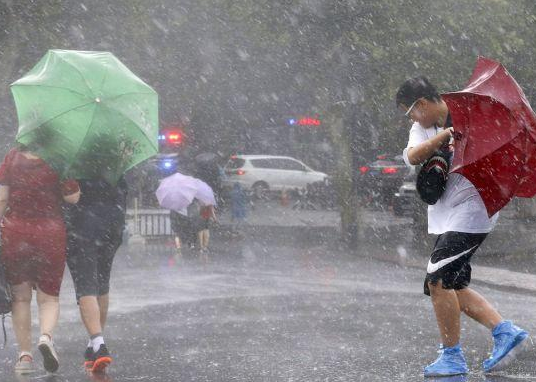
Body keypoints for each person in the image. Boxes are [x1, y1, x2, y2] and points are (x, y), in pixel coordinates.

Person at [396, 76, 529, 377]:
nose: (412, 119)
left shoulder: (469, 114)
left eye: (411, 112)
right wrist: (445, 137)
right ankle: (506, 332)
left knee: (438, 278)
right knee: (453, 283)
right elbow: (412, 156)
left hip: (474, 208)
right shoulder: (423, 127)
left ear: (423, 103)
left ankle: (452, 356)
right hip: (447, 212)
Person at [0, 146, 80, 374]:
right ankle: (45, 337)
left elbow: (2, 198)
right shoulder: (59, 155)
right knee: (49, 298)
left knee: (20, 297)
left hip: (15, 233)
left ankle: (24, 356)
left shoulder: (12, 157)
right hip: (50, 234)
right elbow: (72, 198)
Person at [64, 177, 127, 372]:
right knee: (102, 284)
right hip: (112, 225)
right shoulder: (115, 156)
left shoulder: (75, 160)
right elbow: (123, 189)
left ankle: (99, 345)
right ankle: (93, 346)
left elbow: (72, 197)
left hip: (82, 227)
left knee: (86, 287)